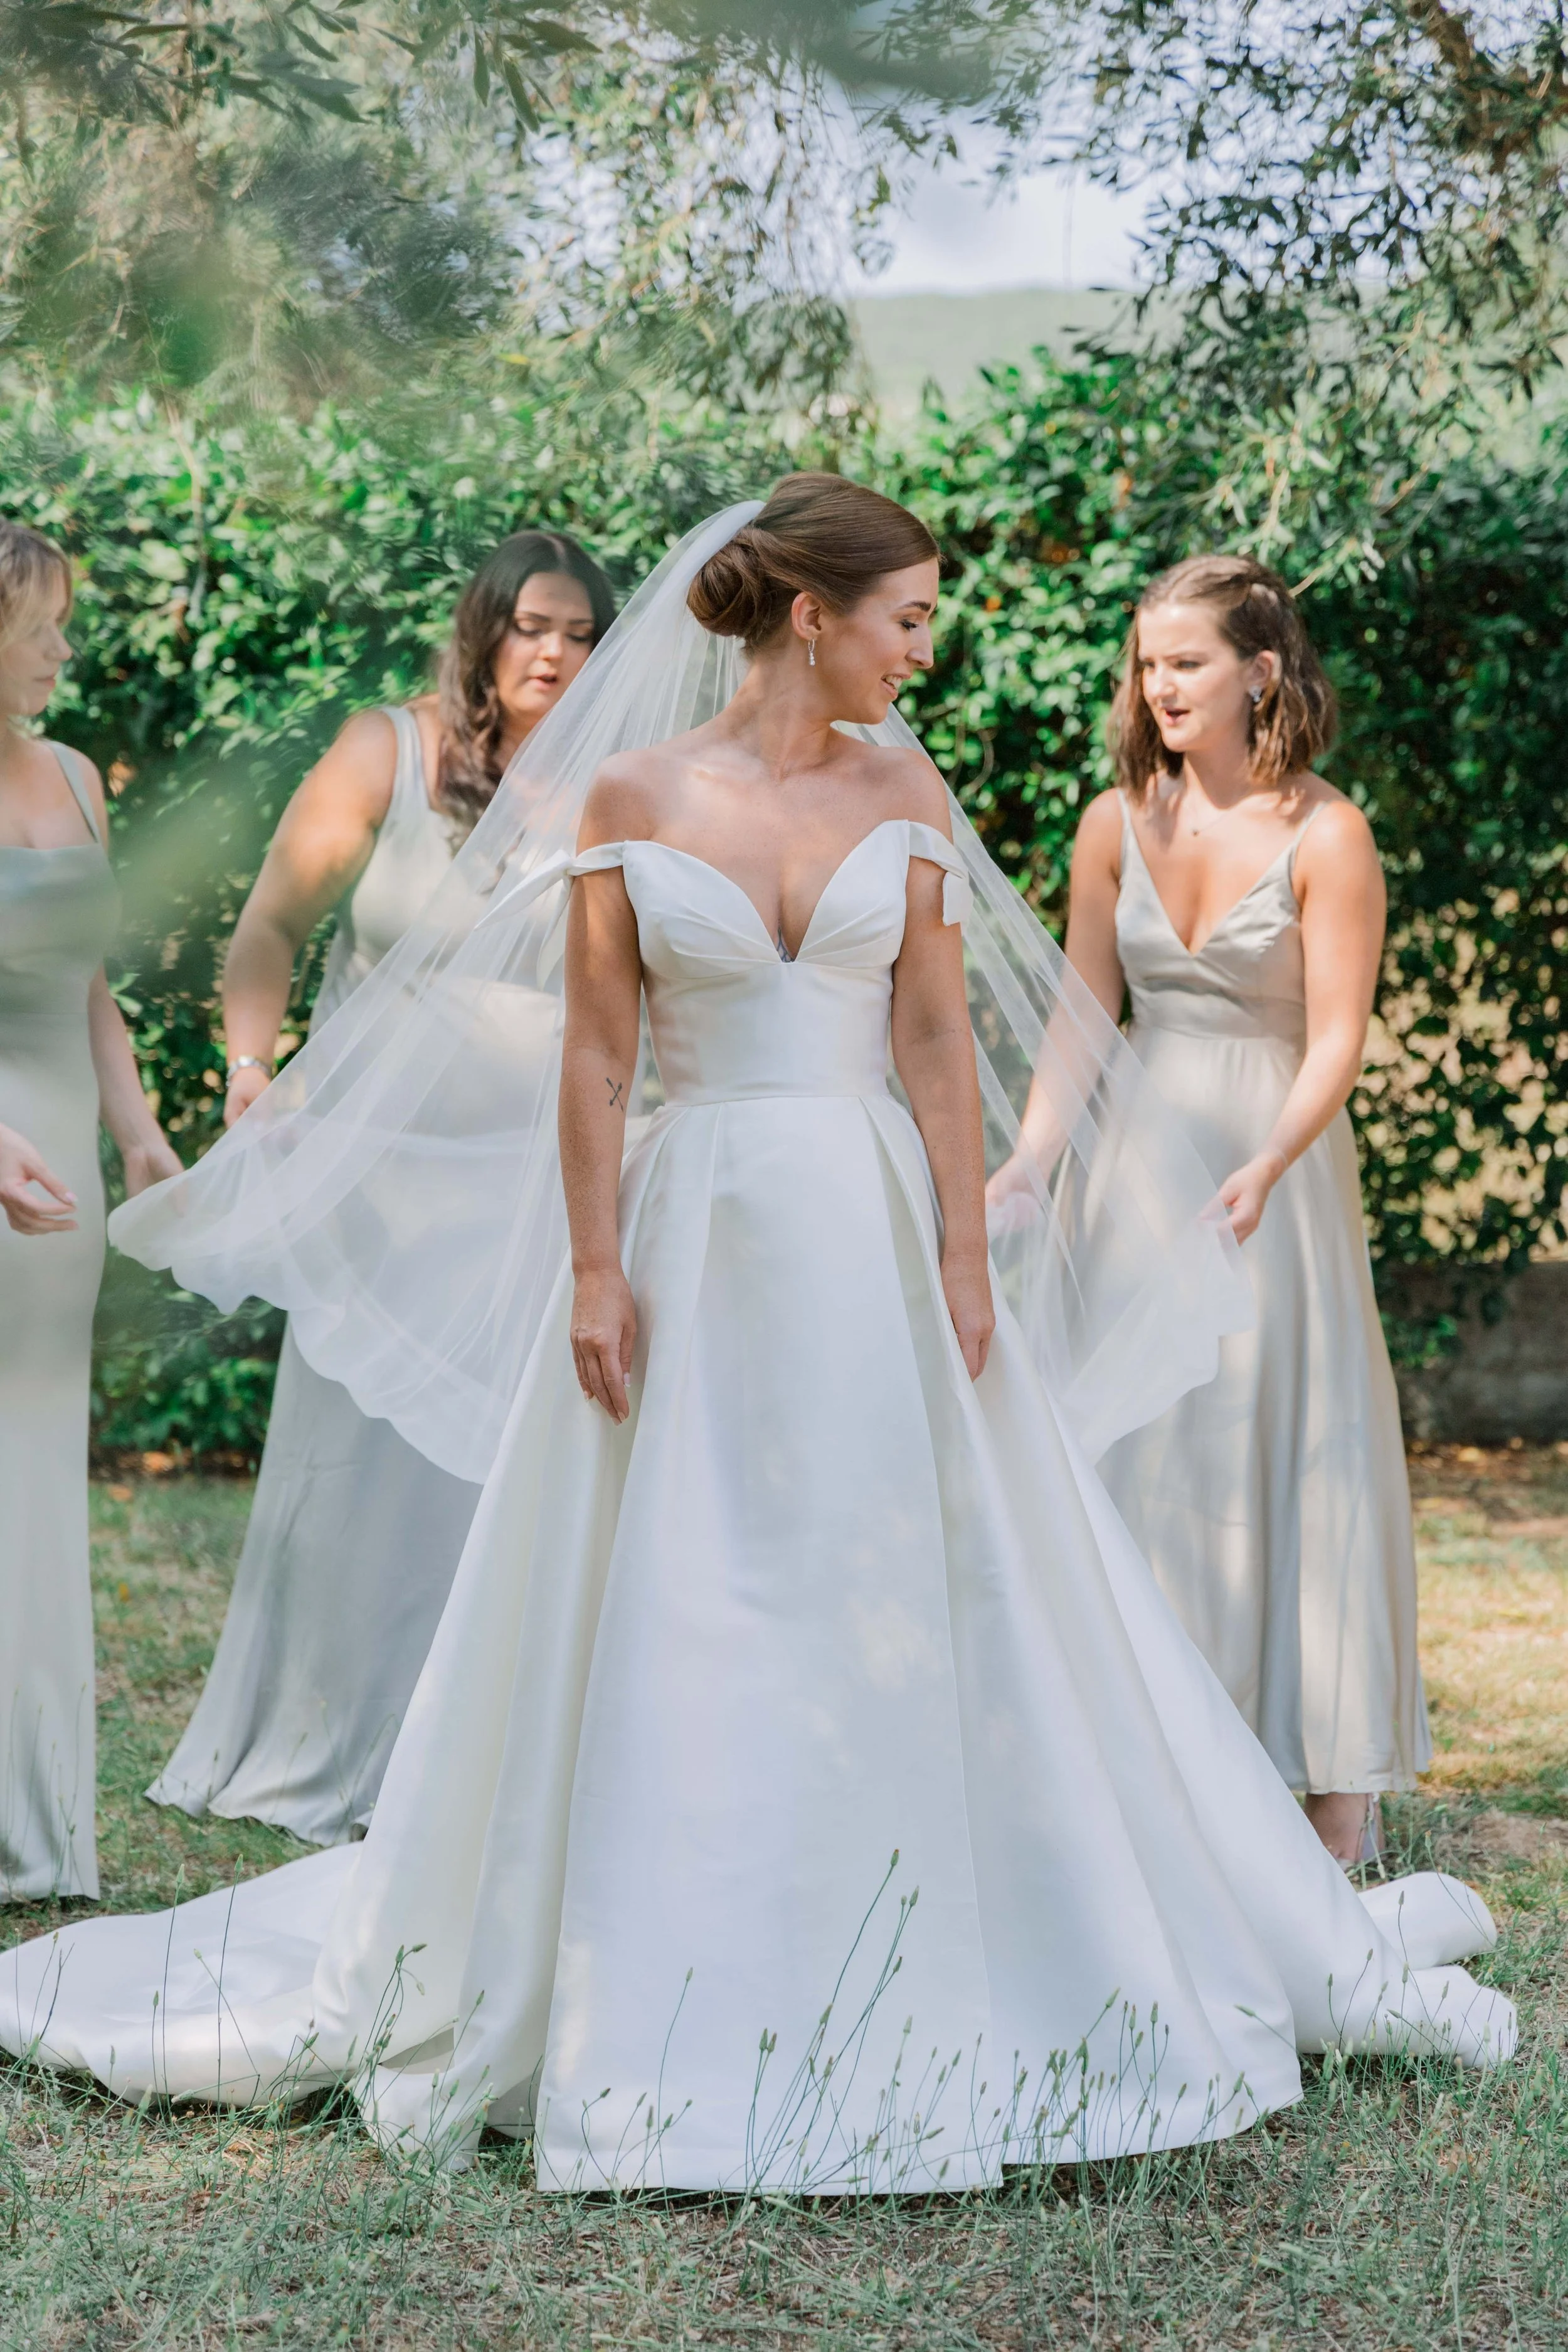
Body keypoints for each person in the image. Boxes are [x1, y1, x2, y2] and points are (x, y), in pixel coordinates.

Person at [5, 482, 1510, 2191]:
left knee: (924, 1569)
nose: (923, 648)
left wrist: (961, 1243)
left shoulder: (909, 784)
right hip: (695, 1225)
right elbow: (592, 1058)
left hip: (869, 1225)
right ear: (811, 613)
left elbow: (935, 1034)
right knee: (688, 1575)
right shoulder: (636, 794)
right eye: (906, 619)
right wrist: (590, 1265)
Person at [148, 530, 617, 1846]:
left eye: (582, 635)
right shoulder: (390, 752)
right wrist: (253, 1074)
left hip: (524, 1183)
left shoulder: (612, 785)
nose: (557, 654)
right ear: (483, 630)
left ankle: (456, 1760)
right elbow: (267, 930)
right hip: (380, 1170)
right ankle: (311, 1734)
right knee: (356, 1461)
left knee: (485, 1472)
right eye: (534, 626)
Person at [992, 554, 1429, 1865]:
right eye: (1144, 663)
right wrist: (1028, 1161)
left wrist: (1268, 1164)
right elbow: (1082, 1018)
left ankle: (1327, 1805)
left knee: (1285, 1443)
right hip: (1131, 1175)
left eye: (1183, 661)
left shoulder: (1325, 832)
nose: (1158, 685)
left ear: (1260, 670)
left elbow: (1337, 1037)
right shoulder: (1110, 822)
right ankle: (1145, 1769)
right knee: (1142, 1452)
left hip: (1265, 1183)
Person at [0, 520, 181, 1901]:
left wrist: (141, 1135)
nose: (65, 644)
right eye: (46, 621)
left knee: (37, 1464)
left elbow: (94, 990)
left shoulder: (69, 773)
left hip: (60, 1151)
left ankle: (35, 1825)